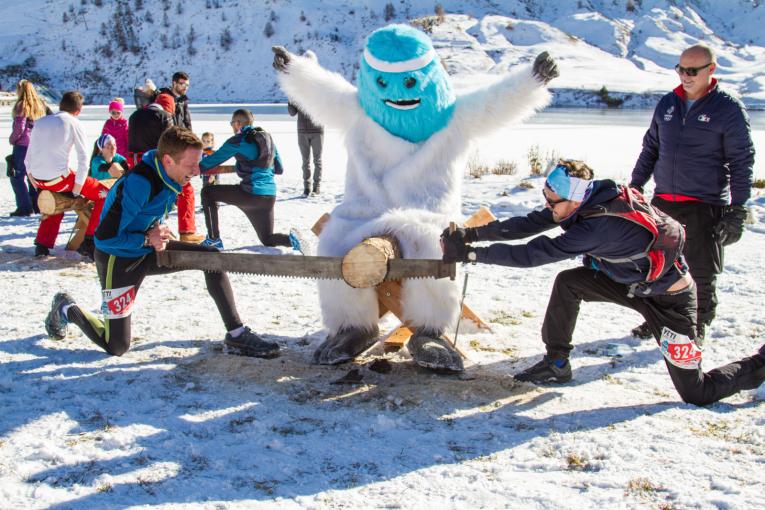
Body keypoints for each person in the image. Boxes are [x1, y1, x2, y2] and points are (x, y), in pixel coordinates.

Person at [440, 160, 765, 406]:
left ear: (576, 199)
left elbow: (532, 254)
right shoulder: (582, 201)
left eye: (554, 202)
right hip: (629, 284)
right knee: (569, 282)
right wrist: (472, 235)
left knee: (696, 391)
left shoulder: (599, 226)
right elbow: (531, 223)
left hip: (670, 300)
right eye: (546, 197)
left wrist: (470, 255)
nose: (548, 207)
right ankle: (557, 362)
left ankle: (760, 364)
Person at [43, 126, 279, 359]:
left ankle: (237, 334)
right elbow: (103, 238)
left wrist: (157, 230)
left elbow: (148, 213)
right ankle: (66, 307)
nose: (197, 171)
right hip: (118, 257)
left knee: (211, 257)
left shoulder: (168, 174)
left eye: (198, 163)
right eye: (190, 165)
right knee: (116, 345)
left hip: (147, 248)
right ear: (168, 160)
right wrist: (147, 237)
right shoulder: (140, 182)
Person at [630, 44, 755, 344]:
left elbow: (742, 160)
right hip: (664, 201)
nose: (684, 76)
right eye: (680, 69)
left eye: (692, 71)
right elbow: (651, 148)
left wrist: (738, 209)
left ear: (711, 70)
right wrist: (635, 186)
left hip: (704, 203)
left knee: (700, 271)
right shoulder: (668, 104)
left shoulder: (727, 109)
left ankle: (696, 325)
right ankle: (658, 320)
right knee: (659, 265)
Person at [25, 91, 110, 259]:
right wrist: (78, 188)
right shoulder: (73, 123)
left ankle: (42, 244)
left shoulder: (40, 122)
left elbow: (28, 156)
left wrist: (34, 181)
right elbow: (83, 158)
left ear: (61, 105)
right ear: (78, 110)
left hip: (39, 180)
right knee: (105, 193)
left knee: (57, 202)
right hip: (60, 179)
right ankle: (90, 240)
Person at [198, 109, 292, 250]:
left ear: (237, 123)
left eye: (231, 123)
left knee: (207, 193)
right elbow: (279, 169)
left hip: (250, 194)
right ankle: (293, 241)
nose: (232, 127)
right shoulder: (268, 138)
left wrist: (189, 168)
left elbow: (211, 161)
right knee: (267, 239)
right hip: (269, 197)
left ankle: (213, 239)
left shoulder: (238, 141)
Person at [158, 71, 202, 243]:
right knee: (183, 190)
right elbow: (169, 129)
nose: (185, 87)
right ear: (174, 83)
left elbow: (187, 126)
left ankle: (186, 231)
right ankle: (185, 232)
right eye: (182, 84)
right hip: (173, 151)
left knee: (183, 190)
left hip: (183, 149)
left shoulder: (183, 101)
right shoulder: (165, 100)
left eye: (187, 85)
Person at [8, 79, 47, 217]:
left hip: (23, 146)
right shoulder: (40, 105)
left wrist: (12, 139)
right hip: (37, 145)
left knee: (17, 176)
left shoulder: (21, 106)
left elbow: (20, 127)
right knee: (33, 176)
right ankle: (36, 205)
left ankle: (24, 207)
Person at [287, 52, 324, 197]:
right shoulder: (297, 87)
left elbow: (325, 108)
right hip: (302, 130)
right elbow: (292, 112)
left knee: (317, 160)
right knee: (305, 161)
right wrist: (291, 99)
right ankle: (306, 187)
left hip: (317, 130)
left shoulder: (320, 86)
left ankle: (316, 187)